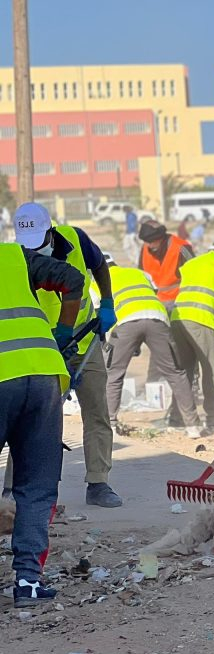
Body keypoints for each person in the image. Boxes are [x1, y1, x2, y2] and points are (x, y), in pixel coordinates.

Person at [13, 203, 123, 508]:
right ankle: (21, 489)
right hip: (43, 349)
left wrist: (107, 303)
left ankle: (98, 483)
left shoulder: (75, 238)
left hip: (84, 338)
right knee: (35, 419)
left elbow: (99, 265)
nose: (34, 250)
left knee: (97, 412)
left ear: (50, 230)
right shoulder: (14, 258)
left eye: (40, 241)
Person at [0, 239, 84, 606]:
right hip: (44, 373)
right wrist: (63, 333)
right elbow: (72, 278)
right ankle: (28, 583)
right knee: (36, 485)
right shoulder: (13, 256)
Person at [100, 255, 203, 439]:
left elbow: (100, 314)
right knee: (176, 373)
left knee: (114, 375)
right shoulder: (139, 274)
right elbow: (151, 295)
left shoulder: (98, 281)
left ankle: (111, 425)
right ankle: (192, 425)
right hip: (157, 319)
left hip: (125, 323)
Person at [167, 246, 214, 429]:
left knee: (184, 372)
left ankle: (177, 417)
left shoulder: (191, 264)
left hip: (178, 318)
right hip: (203, 320)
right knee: (211, 370)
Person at [138, 219, 195, 308]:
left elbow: (195, 273)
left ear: (160, 238)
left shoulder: (181, 247)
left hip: (177, 301)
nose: (148, 245)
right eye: (145, 242)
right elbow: (140, 274)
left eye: (150, 241)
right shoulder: (145, 248)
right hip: (153, 300)